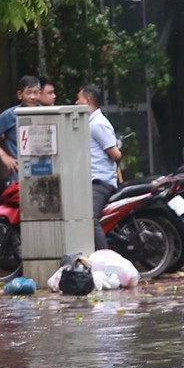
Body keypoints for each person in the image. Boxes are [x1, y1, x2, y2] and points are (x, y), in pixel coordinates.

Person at [80, 83, 121, 250]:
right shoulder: (91, 123)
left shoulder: (98, 124)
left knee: (90, 219)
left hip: (101, 182)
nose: (76, 103)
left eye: (79, 99)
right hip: (93, 180)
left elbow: (116, 155)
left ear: (88, 100)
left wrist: (117, 147)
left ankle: (105, 259)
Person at [0, 74, 43, 177]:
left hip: (44, 171)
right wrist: (3, 156)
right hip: (20, 175)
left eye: (36, 93)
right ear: (20, 95)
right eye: (28, 93)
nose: (32, 97)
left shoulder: (48, 113)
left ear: (40, 94)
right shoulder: (11, 114)